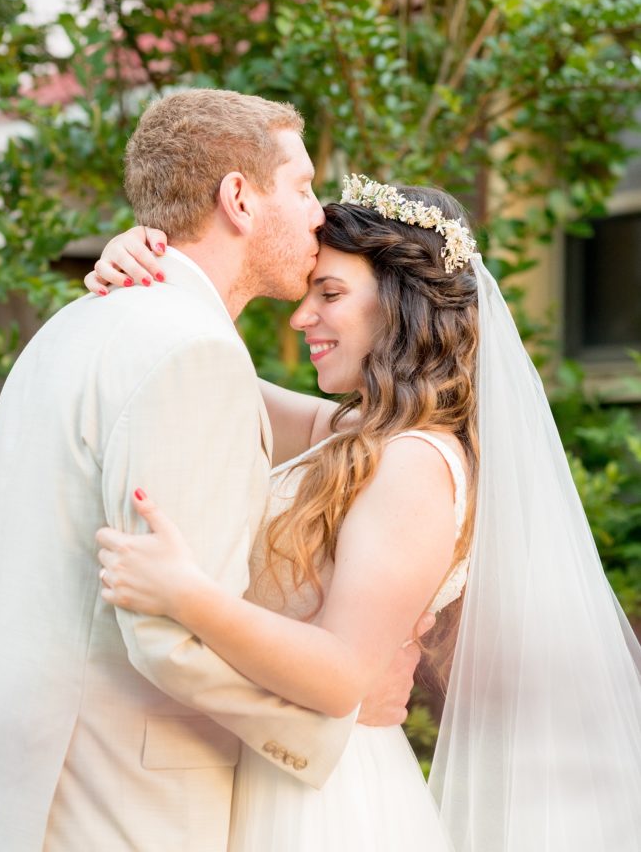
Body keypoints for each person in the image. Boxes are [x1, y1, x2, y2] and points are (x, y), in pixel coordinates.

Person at [89, 174, 641, 851]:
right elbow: (207, 377)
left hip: (328, 805)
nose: (300, 317)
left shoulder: (414, 464)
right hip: (276, 775)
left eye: (329, 294)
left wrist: (183, 594)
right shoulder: (361, 440)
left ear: (400, 306)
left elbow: (340, 674)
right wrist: (155, 274)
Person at [0, 91, 423, 852]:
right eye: (302, 186)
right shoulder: (188, 352)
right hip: (116, 797)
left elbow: (353, 431)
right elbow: (167, 638)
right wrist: (336, 717)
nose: (318, 213)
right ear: (238, 197)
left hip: (18, 779)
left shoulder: (76, 324)